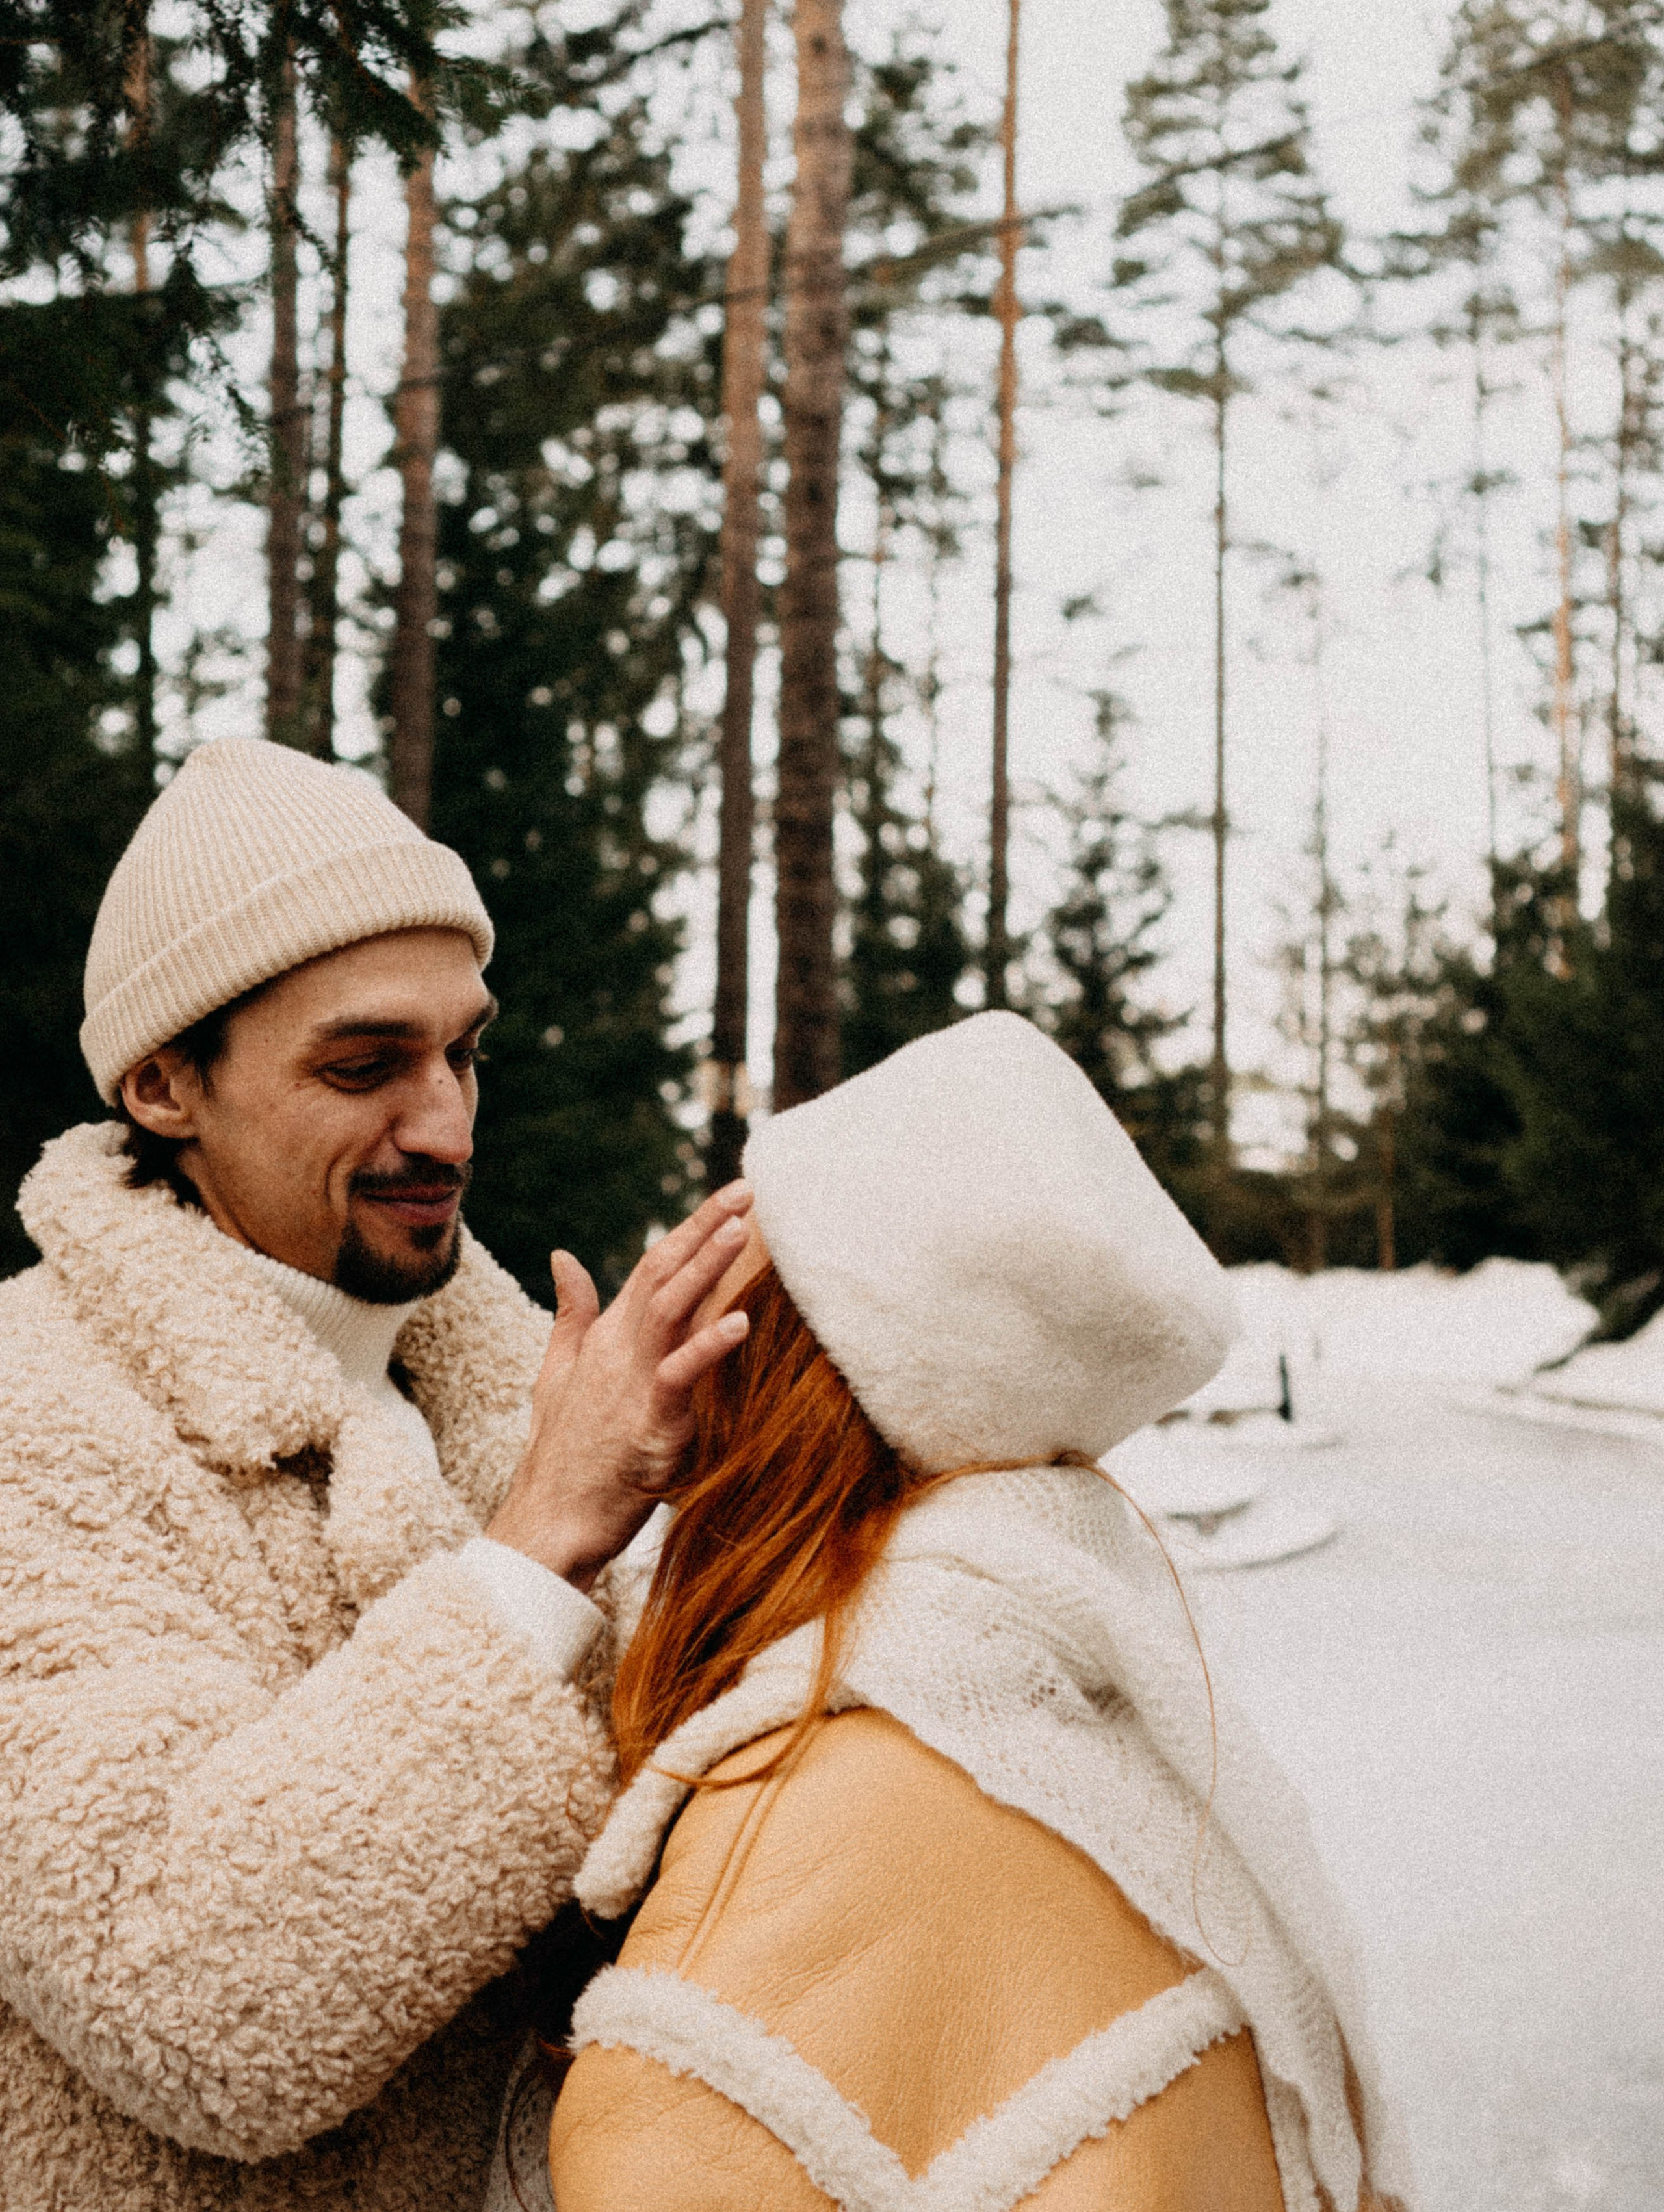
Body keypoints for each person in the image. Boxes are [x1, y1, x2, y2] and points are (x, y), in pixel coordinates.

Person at [0, 737, 753, 2211]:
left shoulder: (512, 1393)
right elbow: (199, 2006)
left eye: (464, 1052)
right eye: (364, 1067)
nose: (448, 1126)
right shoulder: (33, 1418)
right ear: (164, 1086)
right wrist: (541, 1545)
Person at [543, 1012, 1415, 2212]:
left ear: (789, 1366)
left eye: (737, 1265)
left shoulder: (800, 1816)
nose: (677, 1327)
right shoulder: (1105, 1713)